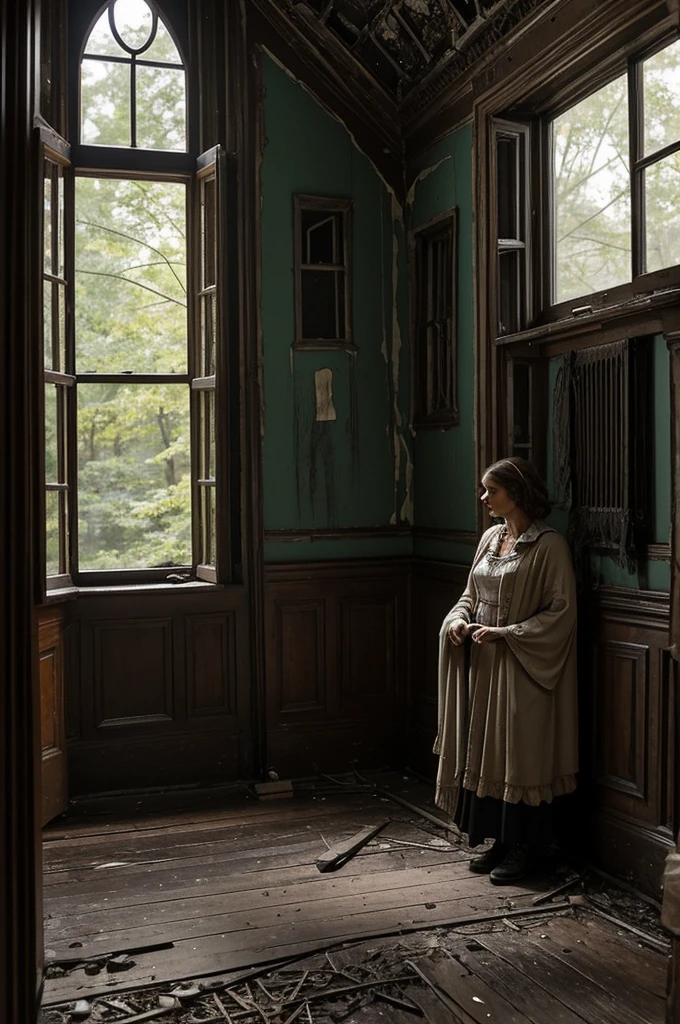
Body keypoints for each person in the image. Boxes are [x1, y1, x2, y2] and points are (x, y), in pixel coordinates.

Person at [434, 456, 578, 884]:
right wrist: (457, 620)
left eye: (491, 491)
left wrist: (507, 632)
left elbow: (562, 612)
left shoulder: (549, 546)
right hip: (485, 667)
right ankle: (501, 840)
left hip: (524, 668)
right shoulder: (491, 538)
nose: (484, 498)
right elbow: (469, 594)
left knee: (521, 755)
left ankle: (530, 847)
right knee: (491, 753)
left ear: (515, 493)